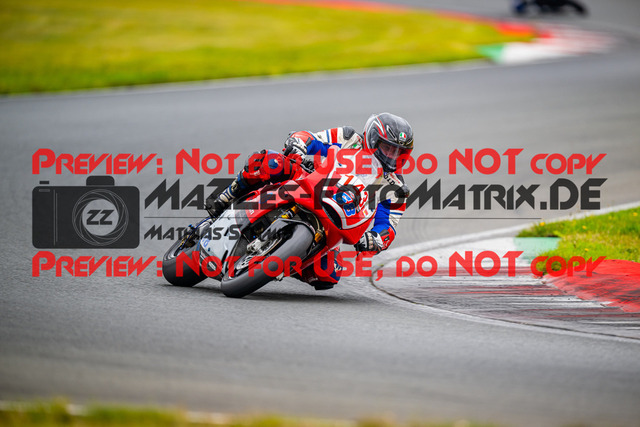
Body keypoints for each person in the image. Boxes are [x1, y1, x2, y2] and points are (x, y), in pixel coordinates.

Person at [205, 113, 413, 290]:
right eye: (387, 148)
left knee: (328, 274)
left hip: (336, 219)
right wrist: (299, 143)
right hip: (308, 182)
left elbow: (388, 226)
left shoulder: (395, 187)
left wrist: (376, 239)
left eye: (398, 152)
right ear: (373, 138)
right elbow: (313, 138)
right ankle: (228, 195)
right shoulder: (349, 138)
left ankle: (282, 258)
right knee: (271, 162)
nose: (391, 155)